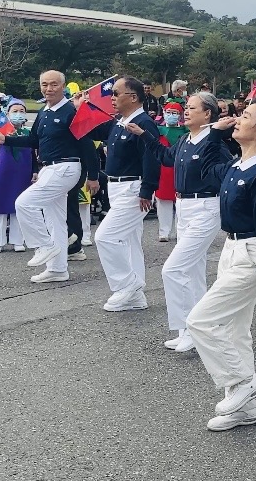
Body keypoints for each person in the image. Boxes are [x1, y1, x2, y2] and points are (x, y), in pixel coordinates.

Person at [186, 97, 256, 432]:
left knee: (200, 321)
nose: (237, 119)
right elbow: (205, 169)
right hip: (231, 249)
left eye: (246, 116)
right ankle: (246, 410)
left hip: (251, 254)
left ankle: (244, 381)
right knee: (235, 330)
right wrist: (215, 134)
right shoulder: (237, 166)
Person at [125, 92, 232, 354]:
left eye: (192, 108)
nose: (185, 111)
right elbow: (166, 157)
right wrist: (144, 135)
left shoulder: (214, 144)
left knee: (173, 269)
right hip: (183, 208)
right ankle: (196, 329)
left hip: (206, 207)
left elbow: (225, 175)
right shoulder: (185, 139)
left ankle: (189, 328)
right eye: (186, 107)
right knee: (193, 271)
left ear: (207, 114)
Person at [0, 71, 99, 283]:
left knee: (24, 203)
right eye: (44, 84)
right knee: (55, 219)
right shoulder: (44, 112)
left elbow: (87, 145)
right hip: (49, 168)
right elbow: (33, 140)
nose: (49, 89)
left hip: (66, 167)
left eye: (54, 84)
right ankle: (58, 269)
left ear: (63, 86)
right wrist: (5, 139)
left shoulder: (71, 112)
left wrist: (93, 175)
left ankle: (44, 245)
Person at [81, 76, 161, 311]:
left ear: (133, 97)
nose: (112, 98)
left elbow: (151, 158)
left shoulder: (144, 123)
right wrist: (84, 106)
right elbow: (91, 130)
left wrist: (147, 189)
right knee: (129, 241)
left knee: (105, 237)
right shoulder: (119, 121)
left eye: (116, 93)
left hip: (133, 188)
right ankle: (136, 297)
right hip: (116, 186)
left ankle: (127, 285)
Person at [0, 99, 32, 253]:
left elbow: (33, 154)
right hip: (2, 171)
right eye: (15, 111)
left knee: (18, 206)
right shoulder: (0, 131)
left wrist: (35, 171)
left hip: (22, 172)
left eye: (21, 111)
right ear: (7, 113)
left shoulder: (28, 133)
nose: (18, 114)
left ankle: (18, 241)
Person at [154, 102, 188, 242]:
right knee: (163, 201)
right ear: (163, 113)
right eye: (168, 112)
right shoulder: (158, 130)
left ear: (180, 115)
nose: (171, 115)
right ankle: (164, 231)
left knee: (182, 202)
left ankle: (181, 231)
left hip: (181, 169)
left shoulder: (186, 131)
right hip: (163, 170)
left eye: (175, 113)